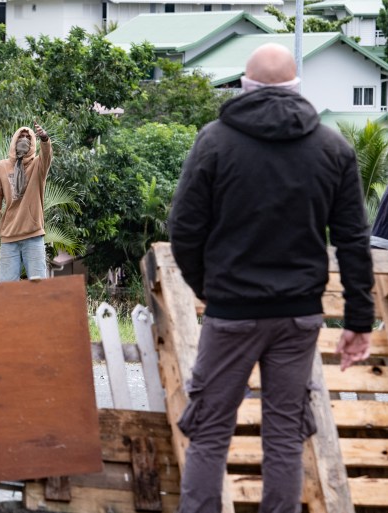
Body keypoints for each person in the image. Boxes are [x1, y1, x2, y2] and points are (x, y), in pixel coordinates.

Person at [168, 43, 374, 513]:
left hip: (232, 313)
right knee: (284, 435)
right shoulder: (332, 147)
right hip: (298, 316)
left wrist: (210, 289)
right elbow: (353, 241)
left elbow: (183, 228)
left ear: (245, 86)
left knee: (210, 431)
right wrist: (359, 322)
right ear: (297, 87)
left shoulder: (215, 141)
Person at [0, 123, 52, 282]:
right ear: (14, 140)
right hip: (9, 239)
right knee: (7, 291)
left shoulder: (38, 165)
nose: (24, 140)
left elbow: (47, 156)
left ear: (33, 143)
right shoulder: (1, 168)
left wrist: (45, 139)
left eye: (28, 137)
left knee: (40, 290)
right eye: (21, 136)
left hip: (33, 237)